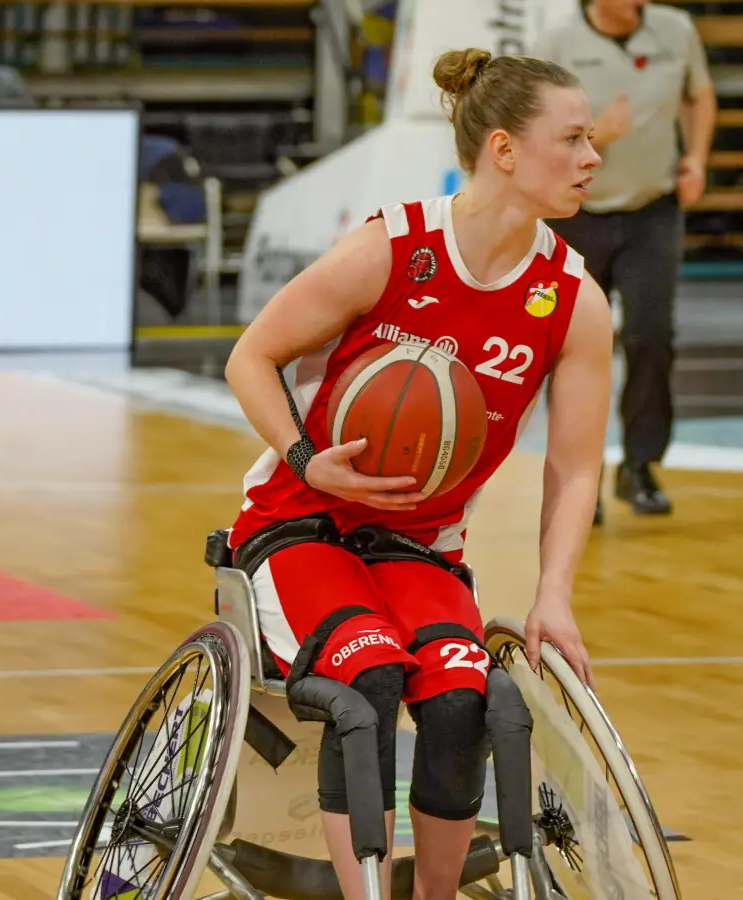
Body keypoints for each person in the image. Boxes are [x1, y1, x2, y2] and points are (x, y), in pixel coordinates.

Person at [222, 47, 611, 900]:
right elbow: (251, 357)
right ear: (504, 149)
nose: (592, 157)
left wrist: (554, 592)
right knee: (368, 686)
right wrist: (304, 456)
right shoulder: (391, 249)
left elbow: (576, 468)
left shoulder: (573, 298)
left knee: (467, 701)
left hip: (420, 546)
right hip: (300, 523)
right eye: (573, 139)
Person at [532, 0, 714, 519]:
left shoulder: (675, 30)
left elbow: (699, 96)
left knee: (651, 336)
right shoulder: (557, 47)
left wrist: (696, 158)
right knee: (568, 349)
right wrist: (597, 136)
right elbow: (535, 136)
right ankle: (573, 479)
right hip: (577, 213)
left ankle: (640, 466)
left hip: (652, 208)